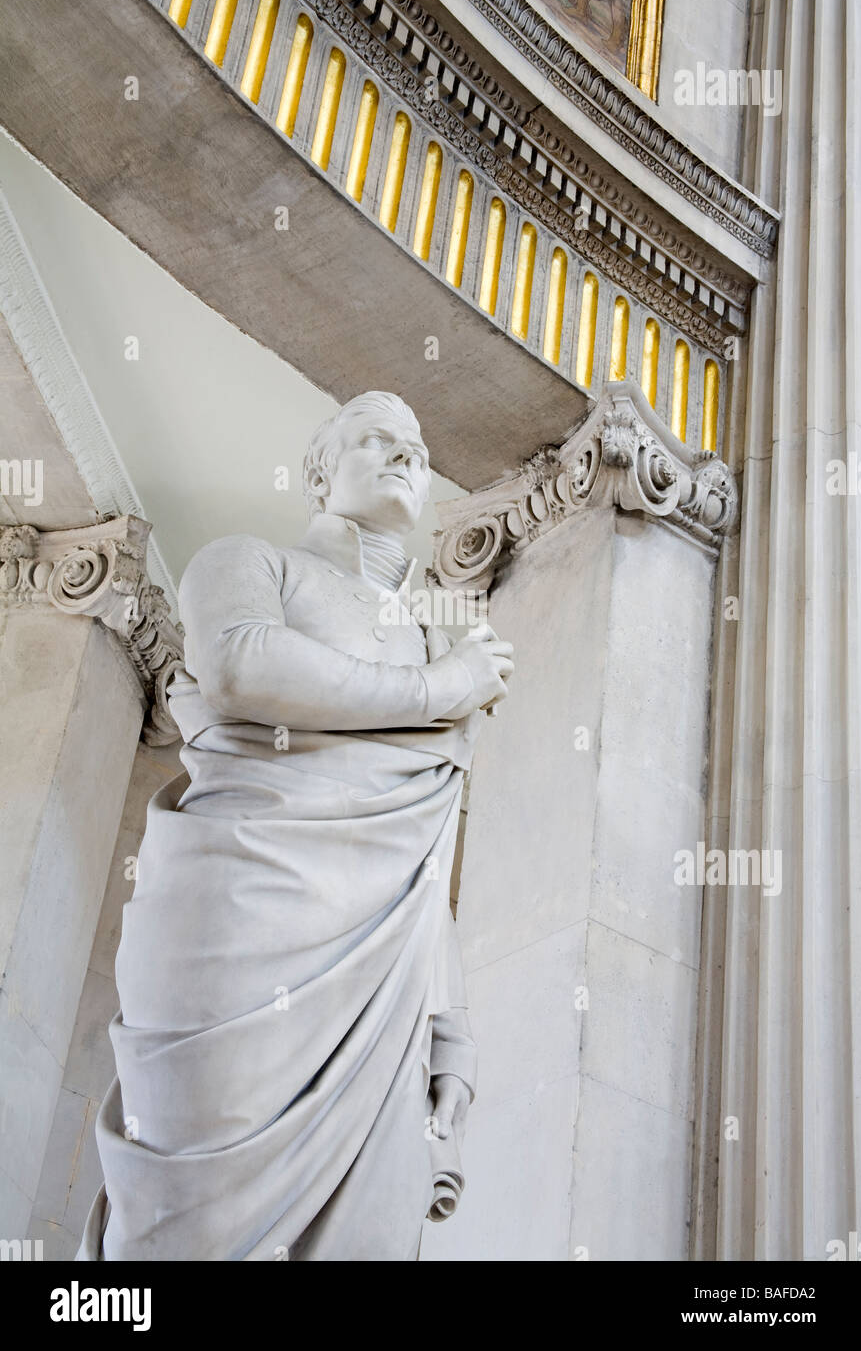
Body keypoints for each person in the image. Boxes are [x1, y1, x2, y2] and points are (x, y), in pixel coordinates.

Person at [77, 390, 514, 1260]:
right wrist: (441, 693)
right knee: (183, 1228)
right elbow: (242, 664)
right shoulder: (246, 561)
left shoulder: (440, 642)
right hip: (236, 917)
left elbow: (422, 858)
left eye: (417, 451)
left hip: (385, 987)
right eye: (375, 439)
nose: (404, 456)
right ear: (319, 472)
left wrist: (450, 1035)